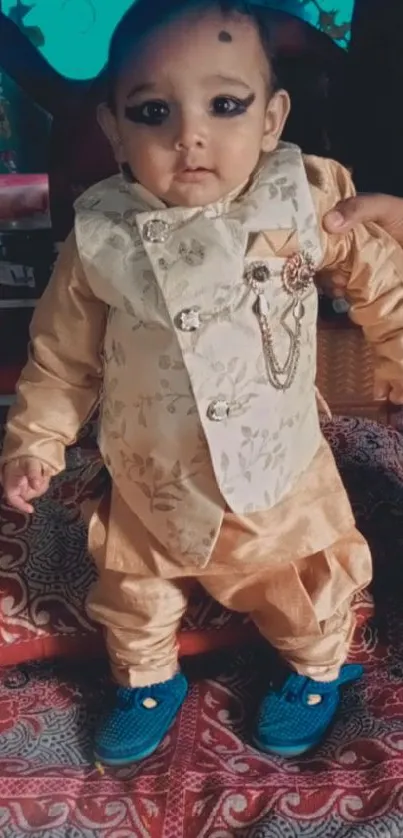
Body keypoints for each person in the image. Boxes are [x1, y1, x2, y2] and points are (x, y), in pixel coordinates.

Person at [2, 0, 403, 766]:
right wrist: (37, 441)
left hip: (277, 468)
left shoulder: (303, 200)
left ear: (270, 117)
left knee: (302, 586)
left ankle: (312, 672)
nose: (189, 134)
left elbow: (380, 278)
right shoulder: (100, 237)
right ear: (115, 130)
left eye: (225, 105)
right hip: (151, 470)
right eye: (153, 111)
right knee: (133, 587)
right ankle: (148, 682)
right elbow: (61, 357)